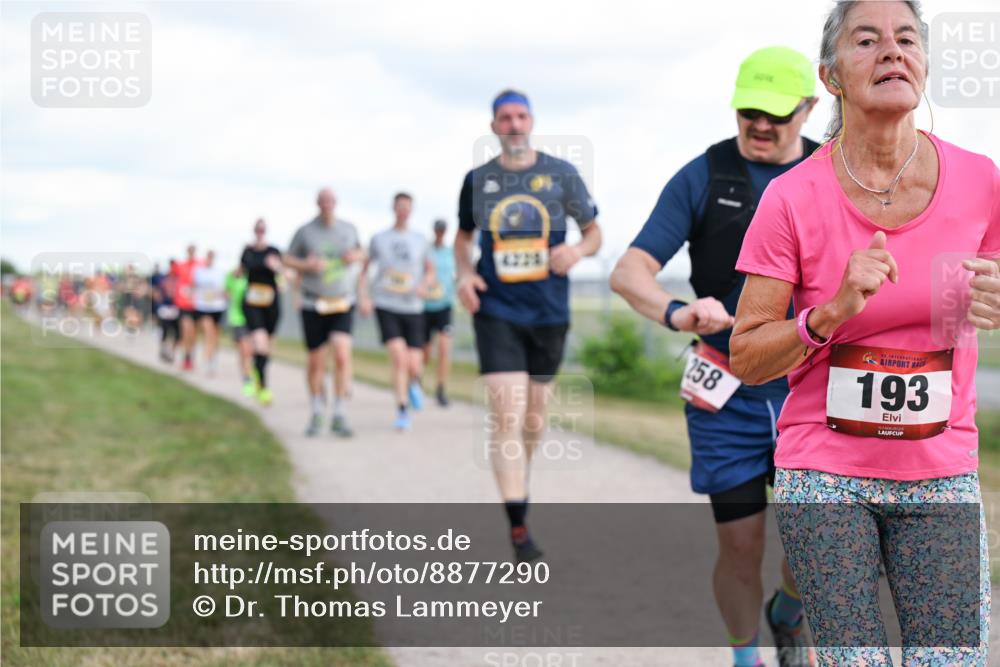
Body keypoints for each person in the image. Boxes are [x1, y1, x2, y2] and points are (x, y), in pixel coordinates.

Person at [729, 2, 996, 664]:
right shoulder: (790, 197)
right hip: (825, 470)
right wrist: (828, 313)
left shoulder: (981, 181)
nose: (891, 51)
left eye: (907, 39)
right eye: (867, 40)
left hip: (941, 470)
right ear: (831, 76)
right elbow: (747, 354)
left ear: (926, 65)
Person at [611, 47, 819, 667]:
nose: (759, 124)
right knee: (740, 547)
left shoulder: (832, 175)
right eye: (748, 111)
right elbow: (629, 272)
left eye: (776, 114)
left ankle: (788, 608)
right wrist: (679, 311)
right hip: (722, 389)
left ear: (809, 108)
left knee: (816, 542)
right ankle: (746, 657)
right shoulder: (704, 175)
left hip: (806, 389)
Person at [456, 89, 602, 562]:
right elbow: (463, 238)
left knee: (533, 420)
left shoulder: (561, 175)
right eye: (505, 118)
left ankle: (518, 482)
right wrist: (465, 274)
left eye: (521, 116)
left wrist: (577, 251)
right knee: (507, 415)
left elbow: (595, 232)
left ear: (531, 121)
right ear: (494, 125)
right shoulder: (478, 181)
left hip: (548, 314)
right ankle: (518, 523)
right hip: (497, 311)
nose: (514, 125)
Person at [284, 188, 364, 437]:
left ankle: (339, 413)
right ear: (318, 204)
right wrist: (305, 264)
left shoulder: (349, 229)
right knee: (316, 361)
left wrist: (354, 256)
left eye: (331, 201)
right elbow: (287, 258)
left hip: (342, 301)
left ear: (336, 203)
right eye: (323, 201)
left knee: (341, 355)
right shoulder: (305, 231)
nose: (327, 205)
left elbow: (363, 253)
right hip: (313, 302)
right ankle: (317, 409)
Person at [358, 193, 435, 430]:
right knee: (398, 357)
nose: (403, 211)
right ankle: (402, 409)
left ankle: (414, 383)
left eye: (407, 208)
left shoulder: (420, 239)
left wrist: (425, 284)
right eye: (399, 207)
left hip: (413, 307)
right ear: (394, 208)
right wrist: (364, 298)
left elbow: (430, 271)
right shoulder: (379, 238)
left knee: (414, 363)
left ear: (411, 211)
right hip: (386, 304)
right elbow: (364, 271)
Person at [240, 218, 283, 406]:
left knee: (266, 348)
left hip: (271, 304)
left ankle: (257, 374)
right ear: (253, 230)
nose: (260, 232)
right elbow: (240, 271)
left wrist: (278, 267)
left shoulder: (274, 252)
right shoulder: (247, 252)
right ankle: (262, 385)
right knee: (259, 342)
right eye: (257, 229)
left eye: (262, 230)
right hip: (252, 303)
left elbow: (284, 274)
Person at [423, 218, 457, 407]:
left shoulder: (450, 253)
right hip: (425, 307)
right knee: (425, 352)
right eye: (438, 230)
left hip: (444, 305)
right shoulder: (425, 252)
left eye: (443, 230)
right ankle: (416, 381)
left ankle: (441, 389)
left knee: (444, 349)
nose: (440, 233)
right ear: (434, 230)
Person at [192, 250, 227, 376]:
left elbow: (225, 290)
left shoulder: (220, 272)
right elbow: (193, 286)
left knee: (215, 335)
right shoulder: (199, 272)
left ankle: (213, 358)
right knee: (208, 332)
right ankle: (208, 360)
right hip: (203, 307)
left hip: (217, 307)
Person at [224, 265, 254, 396]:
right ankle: (247, 379)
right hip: (238, 319)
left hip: (253, 320)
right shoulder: (233, 279)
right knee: (245, 351)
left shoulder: (254, 279)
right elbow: (226, 292)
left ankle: (248, 375)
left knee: (248, 352)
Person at [173, 244, 202, 371]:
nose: (191, 252)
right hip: (183, 304)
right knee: (186, 330)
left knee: (193, 334)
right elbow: (172, 279)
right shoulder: (180, 266)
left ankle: (190, 357)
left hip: (196, 304)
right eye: (189, 250)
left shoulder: (200, 265)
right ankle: (185, 357)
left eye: (192, 250)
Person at [155, 262, 180, 363]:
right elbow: (158, 293)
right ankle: (164, 350)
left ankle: (172, 352)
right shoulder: (164, 280)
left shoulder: (179, 279)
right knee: (165, 332)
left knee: (177, 334)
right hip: (165, 309)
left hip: (176, 309)